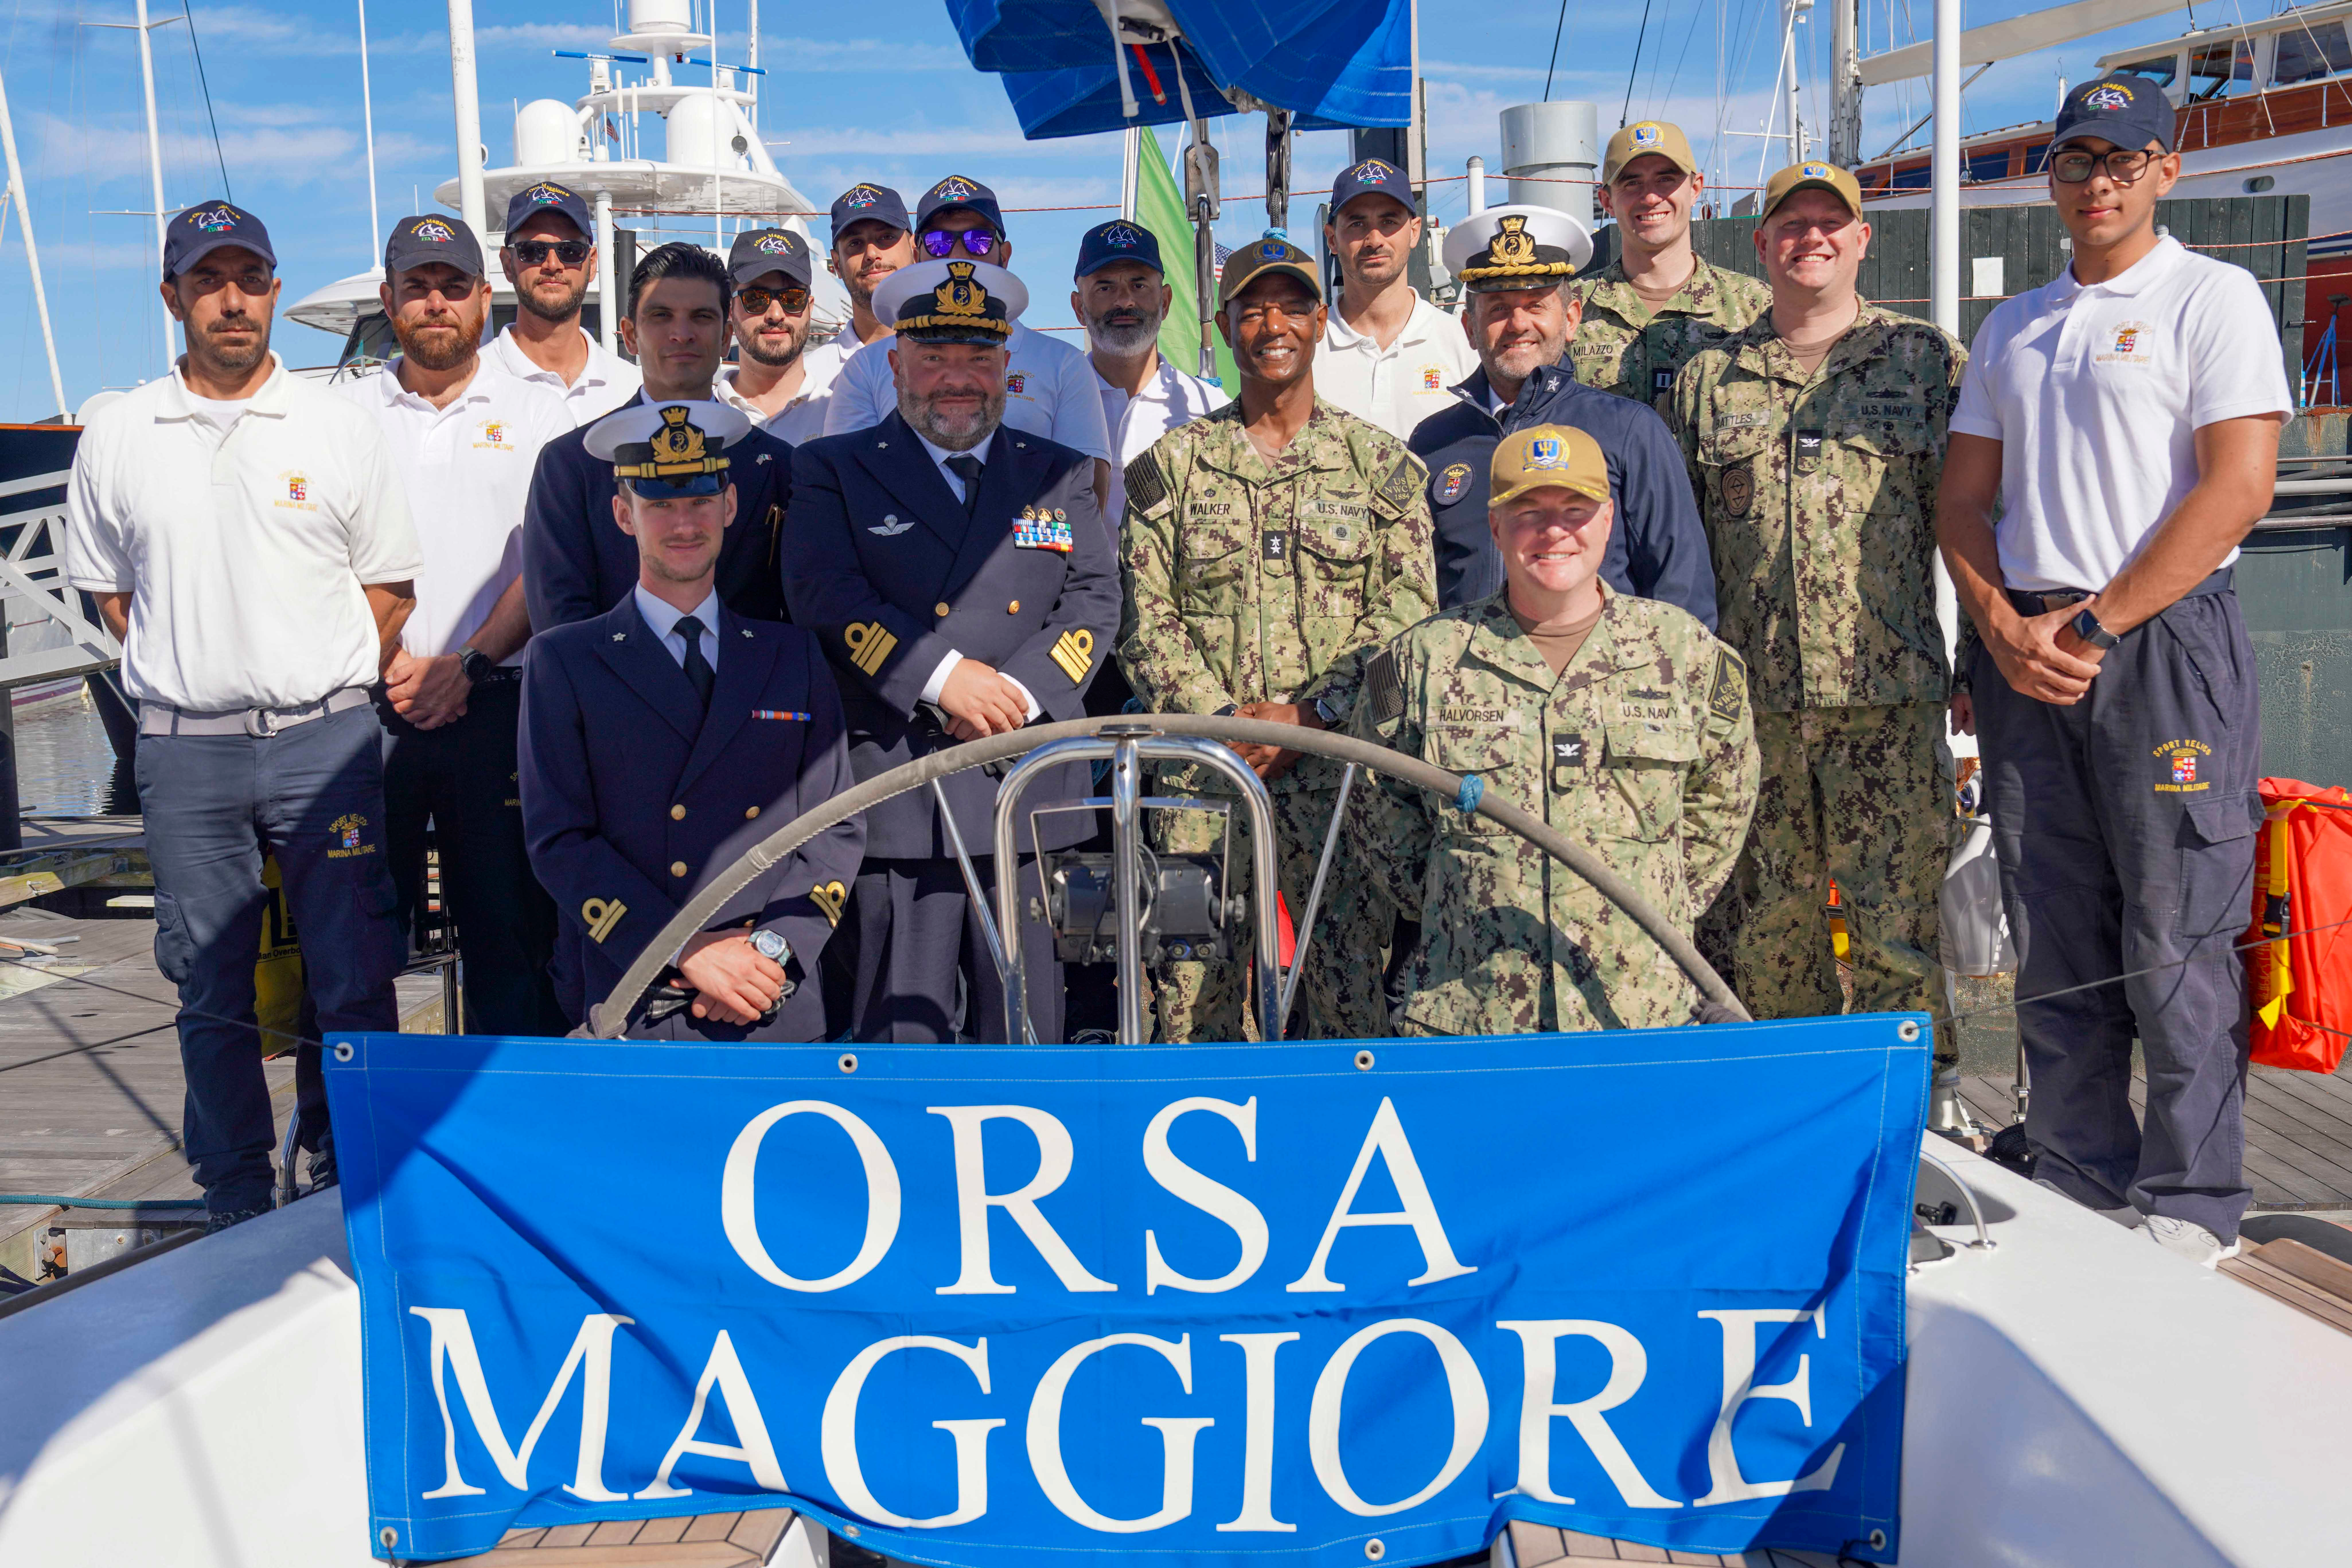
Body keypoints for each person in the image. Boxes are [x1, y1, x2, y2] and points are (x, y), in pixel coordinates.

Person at [1937, 75, 2291, 1266]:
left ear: (2163, 169)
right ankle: (2082, 1174)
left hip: (2157, 644)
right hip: (2029, 651)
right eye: (2076, 160)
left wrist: (2091, 626)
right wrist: (1998, 624)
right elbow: (1963, 501)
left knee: (2176, 921)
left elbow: (2237, 486)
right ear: (2051, 178)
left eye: (2121, 159)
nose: (2097, 181)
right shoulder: (2013, 326)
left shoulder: (2211, 295)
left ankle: (2192, 1201)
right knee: (2055, 924)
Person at [64, 201, 419, 1228]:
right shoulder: (122, 433)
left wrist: (309, 675)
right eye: (207, 280)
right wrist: (208, 667)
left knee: (354, 971)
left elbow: (389, 589)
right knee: (209, 980)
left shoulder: (335, 427)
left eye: (249, 277)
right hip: (188, 754)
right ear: (173, 297)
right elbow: (112, 596)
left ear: (270, 288)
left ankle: (350, 1161)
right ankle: (232, 1188)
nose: (232, 298)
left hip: (327, 743)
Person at [783, 258, 1119, 1045]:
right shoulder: (834, 469)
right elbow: (826, 595)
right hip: (904, 792)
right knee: (902, 1041)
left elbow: (1096, 598)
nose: (956, 380)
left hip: (1025, 785)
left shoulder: (1058, 472)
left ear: (1009, 366)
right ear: (894, 363)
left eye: (977, 358)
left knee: (1029, 1035)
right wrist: (945, 680)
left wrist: (1016, 696)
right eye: (933, 358)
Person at [1669, 161, 1964, 1039]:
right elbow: (1686, 553)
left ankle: (1917, 1136)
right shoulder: (1709, 379)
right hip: (1754, 711)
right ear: (1760, 245)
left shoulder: (1924, 362)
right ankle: (1794, 1139)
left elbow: (1975, 520)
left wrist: (1978, 660)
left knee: (1899, 939)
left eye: (1830, 223)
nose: (1812, 238)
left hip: (1891, 703)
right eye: (1791, 225)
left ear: (1862, 240)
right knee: (1769, 944)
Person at [1119, 237, 1435, 1042]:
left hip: (1337, 782)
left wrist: (1313, 716)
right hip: (1201, 781)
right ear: (1226, 327)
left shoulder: (1379, 469)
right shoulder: (1173, 469)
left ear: (1320, 320)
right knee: (1191, 1010)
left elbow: (1407, 613)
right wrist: (1226, 728)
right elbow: (1144, 617)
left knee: (1346, 1003)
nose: (1273, 324)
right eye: (1253, 308)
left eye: (1292, 305)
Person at [1349, 425, 1757, 1034]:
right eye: (1528, 513)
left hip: (1637, 1010)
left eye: (1575, 510)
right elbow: (1378, 811)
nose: (1553, 531)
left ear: (1607, 521)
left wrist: (1657, 901)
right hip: (1475, 1011)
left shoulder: (1684, 656)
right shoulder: (1423, 660)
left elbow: (1721, 804)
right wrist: (1457, 898)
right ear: (1493, 527)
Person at [521, 402, 863, 1040]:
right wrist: (690, 951)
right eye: (658, 504)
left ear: (730, 506)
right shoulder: (564, 660)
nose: (684, 523)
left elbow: (835, 828)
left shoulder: (792, 654)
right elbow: (559, 842)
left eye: (701, 500)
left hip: (771, 999)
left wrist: (772, 957)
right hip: (642, 992)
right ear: (624, 515)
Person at [341, 213, 572, 1036]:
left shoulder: (543, 413)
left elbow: (546, 563)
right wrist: (391, 661)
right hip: (371, 705)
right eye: (417, 287)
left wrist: (466, 663)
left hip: (500, 703)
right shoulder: (341, 417)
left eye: (453, 287)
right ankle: (343, 1134)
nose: (435, 303)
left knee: (510, 933)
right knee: (356, 940)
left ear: (485, 297)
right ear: (389, 300)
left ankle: (511, 1128)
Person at [1412, 204, 1717, 623]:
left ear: (1571, 320)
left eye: (1536, 305)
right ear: (1469, 328)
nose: (1518, 323)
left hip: (1602, 682)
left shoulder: (1628, 431)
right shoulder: (1434, 443)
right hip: (1470, 681)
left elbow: (1682, 591)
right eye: (1498, 309)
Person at [523, 242, 792, 631]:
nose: (681, 334)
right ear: (630, 336)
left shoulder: (778, 466)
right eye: (661, 316)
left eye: (701, 317)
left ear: (725, 336)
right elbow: (560, 627)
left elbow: (795, 616)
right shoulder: (571, 467)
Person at [823, 176, 1116, 510]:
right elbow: (846, 486)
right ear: (917, 255)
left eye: (978, 240)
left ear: (1004, 254)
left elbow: (1086, 494)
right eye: (938, 242)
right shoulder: (867, 366)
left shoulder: (1063, 364)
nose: (959, 254)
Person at [1570, 121, 1771, 409]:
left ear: (1695, 189)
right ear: (1607, 201)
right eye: (1631, 183)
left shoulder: (1756, 310)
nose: (1650, 197)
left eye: (1665, 179)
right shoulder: (1570, 312)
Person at [1072, 219, 1226, 527]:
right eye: (1105, 287)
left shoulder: (1211, 409)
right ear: (1078, 307)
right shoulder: (1057, 403)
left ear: (1166, 301)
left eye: (1139, 285)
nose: (1125, 301)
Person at [1316, 158, 1479, 441]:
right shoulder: (1307, 349)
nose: (1374, 239)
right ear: (1331, 238)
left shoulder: (1462, 344)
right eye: (1357, 223)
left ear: (1414, 231)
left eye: (1389, 221)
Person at [486, 181, 642, 425]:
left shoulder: (634, 390)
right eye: (533, 250)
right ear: (508, 265)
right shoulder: (471, 386)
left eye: (570, 251)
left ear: (592, 265)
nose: (553, 265)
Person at [712, 227, 835, 445]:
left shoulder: (839, 415)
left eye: (792, 298)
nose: (775, 315)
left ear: (810, 308)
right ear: (730, 309)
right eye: (756, 298)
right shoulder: (702, 415)